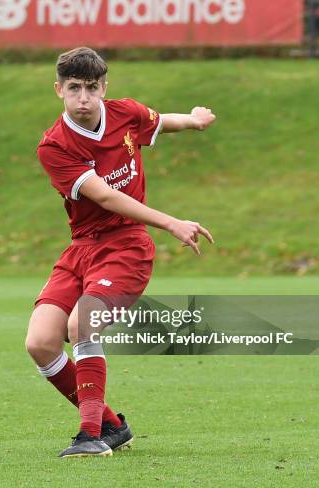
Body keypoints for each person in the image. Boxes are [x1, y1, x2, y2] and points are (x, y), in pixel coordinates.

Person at [26, 47, 216, 458]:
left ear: (104, 88)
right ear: (58, 89)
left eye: (91, 88)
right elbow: (106, 197)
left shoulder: (125, 113)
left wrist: (195, 121)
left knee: (82, 324)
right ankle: (112, 425)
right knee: (41, 342)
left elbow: (161, 122)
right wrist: (171, 222)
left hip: (127, 247)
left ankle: (90, 435)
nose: (83, 98)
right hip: (82, 249)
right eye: (74, 88)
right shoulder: (54, 147)